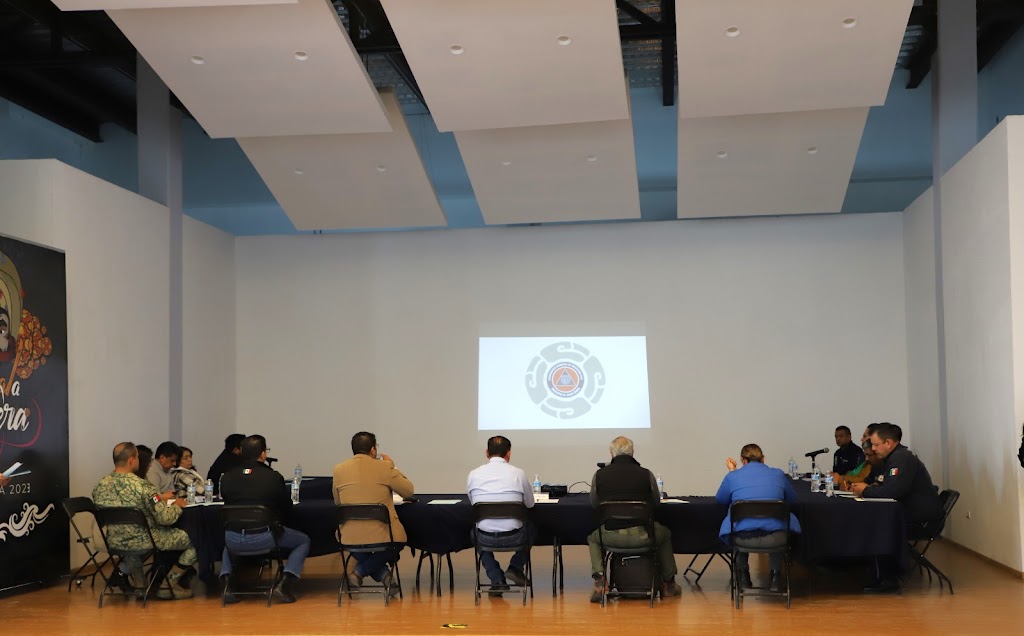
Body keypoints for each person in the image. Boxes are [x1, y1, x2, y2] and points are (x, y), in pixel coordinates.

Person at [92, 442, 197, 600]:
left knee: (131, 543)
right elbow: (165, 518)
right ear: (132, 460)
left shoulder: (99, 486)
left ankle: (140, 585)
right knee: (196, 540)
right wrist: (177, 505)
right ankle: (169, 584)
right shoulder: (145, 487)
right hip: (146, 540)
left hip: (114, 541)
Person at [587, 436, 680, 603]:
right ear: (632, 452)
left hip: (611, 535)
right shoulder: (646, 474)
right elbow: (656, 503)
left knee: (593, 539)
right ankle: (668, 584)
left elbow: (595, 504)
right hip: (644, 535)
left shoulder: (599, 475)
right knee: (665, 534)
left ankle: (600, 580)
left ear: (611, 454)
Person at [851, 422, 941, 592]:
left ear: (889, 443)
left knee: (873, 525)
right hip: (911, 513)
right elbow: (888, 486)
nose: (873, 449)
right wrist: (869, 488)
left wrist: (866, 491)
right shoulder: (894, 458)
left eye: (876, 445)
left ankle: (885, 579)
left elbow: (894, 491)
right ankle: (880, 572)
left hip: (920, 519)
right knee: (872, 520)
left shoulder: (901, 458)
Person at [220, 435, 310, 604]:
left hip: (233, 539)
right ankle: (284, 584)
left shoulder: (227, 477)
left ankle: (227, 585)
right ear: (262, 454)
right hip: (265, 537)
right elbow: (286, 507)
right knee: (303, 540)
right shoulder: (273, 477)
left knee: (229, 539)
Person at [333, 432, 414, 595]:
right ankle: (374, 574)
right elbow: (408, 491)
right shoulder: (384, 467)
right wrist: (393, 466)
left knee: (350, 542)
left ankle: (363, 572)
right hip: (384, 535)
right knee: (397, 542)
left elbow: (337, 501)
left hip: (349, 535)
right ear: (373, 450)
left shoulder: (339, 469)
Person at [716, 443, 801, 592]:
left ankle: (743, 577)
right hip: (777, 539)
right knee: (776, 525)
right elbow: (792, 499)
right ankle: (775, 577)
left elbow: (721, 499)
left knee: (739, 525)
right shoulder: (778, 474)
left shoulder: (733, 477)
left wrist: (732, 472)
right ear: (763, 459)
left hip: (742, 539)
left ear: (743, 460)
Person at [466, 436, 535, 596]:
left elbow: (473, 504)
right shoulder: (518, 474)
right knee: (532, 528)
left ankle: (497, 580)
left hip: (484, 538)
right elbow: (530, 504)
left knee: (474, 533)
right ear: (509, 454)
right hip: (515, 537)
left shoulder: (474, 474)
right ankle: (515, 568)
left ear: (486, 453)